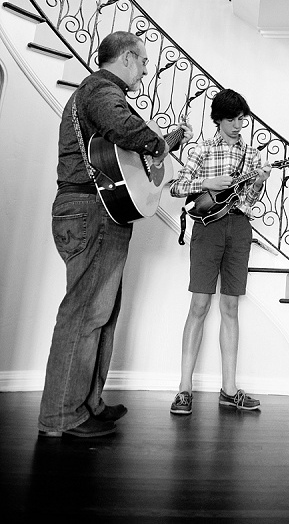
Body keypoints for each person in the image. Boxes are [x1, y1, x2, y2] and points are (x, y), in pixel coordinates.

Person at [38, 31, 192, 438]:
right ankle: (61, 416)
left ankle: (88, 403)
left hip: (94, 211)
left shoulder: (92, 95)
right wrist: (158, 142)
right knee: (86, 315)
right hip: (91, 212)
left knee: (100, 314)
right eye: (142, 61)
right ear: (126, 58)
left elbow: (124, 151)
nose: (145, 69)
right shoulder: (102, 90)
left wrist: (162, 143)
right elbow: (128, 130)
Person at [169, 88, 271, 415]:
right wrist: (210, 183)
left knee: (230, 307)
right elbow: (177, 187)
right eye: (232, 119)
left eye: (242, 119)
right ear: (217, 119)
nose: (239, 125)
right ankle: (184, 389)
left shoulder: (253, 157)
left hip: (239, 228)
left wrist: (260, 181)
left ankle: (229, 390)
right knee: (199, 304)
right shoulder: (201, 151)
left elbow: (251, 202)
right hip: (207, 229)